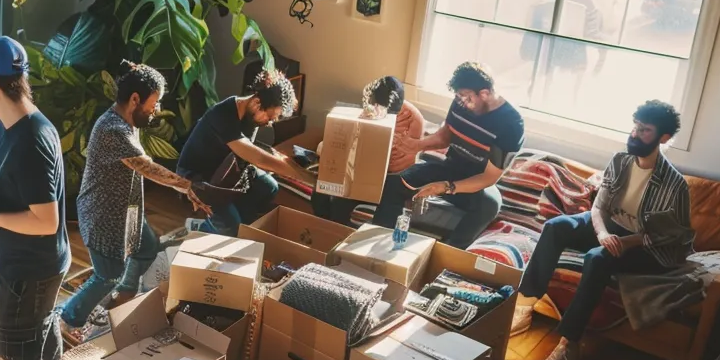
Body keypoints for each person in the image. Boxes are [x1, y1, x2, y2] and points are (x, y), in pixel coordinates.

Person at [513, 100, 694, 360]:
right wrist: (603, 234)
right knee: (555, 226)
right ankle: (525, 304)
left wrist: (625, 242)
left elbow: (668, 235)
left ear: (664, 137)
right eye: (635, 127)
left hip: (647, 246)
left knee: (597, 258)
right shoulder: (620, 161)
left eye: (644, 131)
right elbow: (598, 207)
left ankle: (568, 344)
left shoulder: (674, 184)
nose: (634, 134)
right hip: (610, 227)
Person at [58, 62, 208, 342]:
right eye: (155, 102)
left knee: (147, 248)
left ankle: (124, 295)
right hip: (104, 216)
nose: (157, 108)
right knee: (107, 275)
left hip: (127, 214)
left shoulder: (128, 121)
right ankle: (69, 318)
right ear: (135, 99)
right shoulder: (113, 129)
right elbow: (147, 167)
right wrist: (188, 187)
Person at [0, 36, 69, 360]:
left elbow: (45, 221)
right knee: (41, 335)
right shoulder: (10, 125)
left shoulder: (30, 140)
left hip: (29, 272)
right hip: (30, 267)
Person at [326, 62, 524, 247]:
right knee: (393, 184)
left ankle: (449, 255)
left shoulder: (511, 125)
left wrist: (446, 187)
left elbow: (488, 177)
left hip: (476, 181)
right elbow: (446, 136)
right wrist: (417, 146)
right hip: (449, 167)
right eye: (458, 97)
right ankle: (376, 242)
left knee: (490, 205)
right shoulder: (460, 104)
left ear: (485, 93)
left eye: (466, 97)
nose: (461, 102)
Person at [173, 69, 312, 235]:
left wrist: (295, 167)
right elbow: (258, 158)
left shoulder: (250, 117)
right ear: (256, 103)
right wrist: (305, 179)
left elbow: (250, 157)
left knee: (269, 187)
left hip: (226, 171)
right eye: (270, 117)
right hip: (200, 179)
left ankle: (238, 227)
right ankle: (200, 230)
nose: (269, 123)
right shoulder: (222, 116)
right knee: (231, 226)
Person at [311, 75, 426, 224]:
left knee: (388, 214)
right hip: (367, 169)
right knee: (328, 196)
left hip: (394, 177)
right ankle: (332, 230)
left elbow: (406, 164)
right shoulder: (372, 109)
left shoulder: (413, 119)